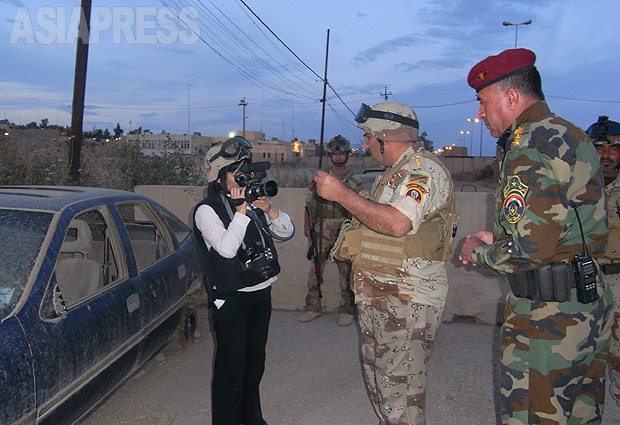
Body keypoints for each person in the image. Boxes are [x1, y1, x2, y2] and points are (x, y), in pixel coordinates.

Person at [459, 49, 612, 425]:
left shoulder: (529, 145)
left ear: (511, 97)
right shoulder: (569, 134)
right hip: (589, 304)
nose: (480, 114)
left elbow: (530, 250)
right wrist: (500, 235)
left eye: (483, 102)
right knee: (582, 414)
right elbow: (568, 221)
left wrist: (479, 251)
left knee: (532, 416)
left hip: (548, 320)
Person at [315, 101, 458, 425]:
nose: (364, 144)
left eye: (368, 137)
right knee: (385, 388)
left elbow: (397, 223)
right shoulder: (394, 175)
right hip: (384, 297)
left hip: (407, 299)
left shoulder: (421, 170)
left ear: (386, 137)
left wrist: (341, 195)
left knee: (401, 397)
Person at [192, 136, 294, 425]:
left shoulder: (250, 203)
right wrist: (240, 214)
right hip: (231, 298)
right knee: (230, 370)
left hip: (260, 293)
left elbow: (286, 232)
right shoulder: (207, 210)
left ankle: (252, 418)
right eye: (238, 172)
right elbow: (225, 248)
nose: (245, 178)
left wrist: (269, 209)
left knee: (254, 365)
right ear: (219, 177)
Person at [298, 135, 366, 326]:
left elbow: (362, 205)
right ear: (330, 155)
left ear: (347, 155)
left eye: (341, 153)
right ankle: (313, 307)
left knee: (346, 273)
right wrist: (307, 228)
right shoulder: (320, 179)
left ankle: (346, 310)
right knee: (316, 271)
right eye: (334, 154)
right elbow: (308, 205)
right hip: (320, 230)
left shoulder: (353, 180)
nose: (338, 157)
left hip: (344, 231)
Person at [586, 115, 620, 405]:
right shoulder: (579, 187)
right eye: (598, 148)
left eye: (613, 149)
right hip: (587, 280)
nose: (605, 155)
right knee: (585, 362)